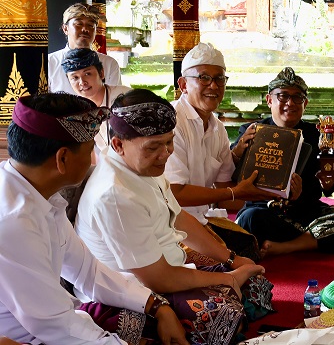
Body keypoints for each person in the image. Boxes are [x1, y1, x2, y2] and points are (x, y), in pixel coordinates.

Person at [74, 89, 274, 345]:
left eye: (169, 141)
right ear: (118, 145)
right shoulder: (115, 194)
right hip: (133, 289)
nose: (166, 153)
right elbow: (158, 278)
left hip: (167, 264)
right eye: (154, 146)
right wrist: (228, 278)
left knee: (255, 283)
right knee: (222, 314)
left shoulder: (145, 165)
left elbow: (179, 218)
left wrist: (232, 260)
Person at [0, 93, 188, 345]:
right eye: (90, 150)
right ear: (62, 158)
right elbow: (55, 325)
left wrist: (155, 305)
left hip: (57, 324)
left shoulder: (41, 198)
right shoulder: (13, 223)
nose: (95, 158)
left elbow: (89, 271)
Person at [231, 67, 334, 257]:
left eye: (297, 98)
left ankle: (285, 247)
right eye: (282, 96)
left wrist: (319, 186)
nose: (290, 103)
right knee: (251, 219)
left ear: (305, 103)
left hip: (305, 213)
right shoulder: (251, 131)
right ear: (269, 100)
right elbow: (232, 174)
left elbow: (328, 185)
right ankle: (307, 242)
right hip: (264, 213)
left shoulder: (318, 136)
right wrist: (240, 148)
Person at [164, 42, 281, 261]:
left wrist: (271, 190)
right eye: (204, 78)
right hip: (170, 227)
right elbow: (176, 194)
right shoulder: (171, 121)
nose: (213, 86)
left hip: (200, 221)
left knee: (248, 245)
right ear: (183, 85)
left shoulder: (217, 127)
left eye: (219, 79)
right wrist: (235, 193)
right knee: (231, 266)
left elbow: (228, 194)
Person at [61, 47, 131, 153]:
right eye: (75, 78)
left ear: (101, 73)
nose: (82, 82)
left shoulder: (125, 97)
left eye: (87, 74)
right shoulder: (77, 111)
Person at [49, 3, 121, 95]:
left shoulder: (109, 64)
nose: (85, 29)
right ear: (65, 29)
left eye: (90, 25)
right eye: (78, 24)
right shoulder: (49, 63)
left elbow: (114, 101)